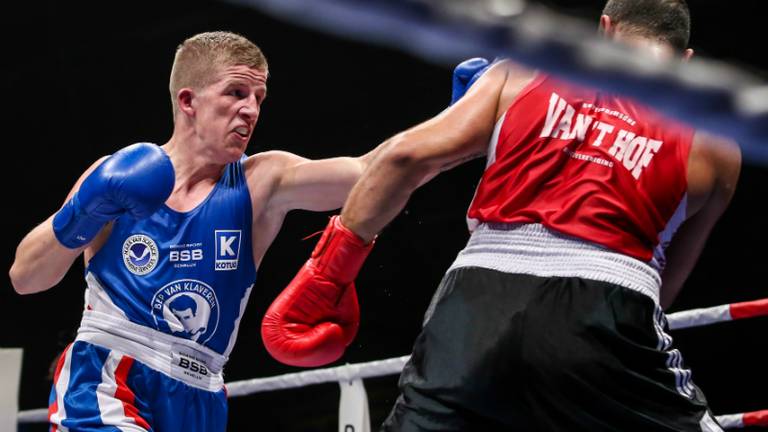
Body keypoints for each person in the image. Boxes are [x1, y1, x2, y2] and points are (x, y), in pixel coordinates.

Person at [261, 0, 742, 430]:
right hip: (610, 305)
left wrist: (329, 274)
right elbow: (665, 282)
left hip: (477, 295)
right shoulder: (716, 140)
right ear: (686, 61)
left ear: (605, 28)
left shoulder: (524, 71)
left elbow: (403, 159)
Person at [8, 31, 389, 431]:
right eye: (236, 93)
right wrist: (86, 208)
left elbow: (371, 173)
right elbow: (26, 278)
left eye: (258, 98)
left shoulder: (262, 180)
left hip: (202, 392)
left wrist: (456, 122)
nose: (251, 110)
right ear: (188, 100)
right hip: (107, 375)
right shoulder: (114, 176)